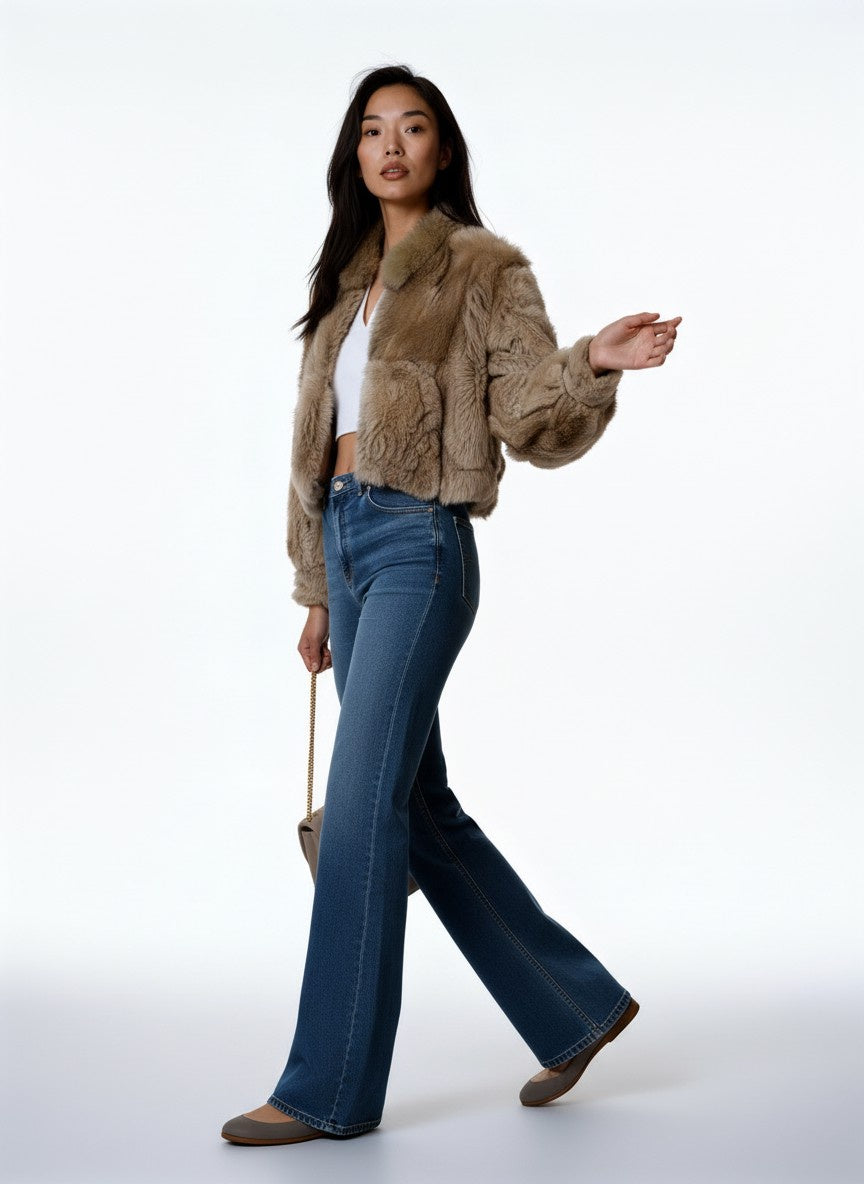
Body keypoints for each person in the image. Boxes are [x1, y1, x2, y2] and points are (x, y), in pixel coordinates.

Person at [222, 64, 681, 1147]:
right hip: (349, 552)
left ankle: (328, 1087)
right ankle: (571, 1006)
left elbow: (525, 412)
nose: (392, 145)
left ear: (441, 147)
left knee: (363, 807)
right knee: (419, 809)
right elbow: (311, 455)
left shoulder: (482, 266)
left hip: (421, 544)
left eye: (413, 126)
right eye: (373, 130)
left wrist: (592, 362)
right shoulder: (343, 290)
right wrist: (315, 590)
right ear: (355, 154)